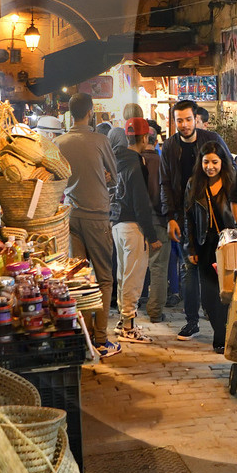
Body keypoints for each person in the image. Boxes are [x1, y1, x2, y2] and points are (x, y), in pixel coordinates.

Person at [161, 100, 235, 340]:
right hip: (186, 215)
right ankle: (191, 321)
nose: (184, 125)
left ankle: (223, 322)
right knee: (189, 270)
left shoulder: (211, 139)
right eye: (179, 120)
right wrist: (170, 217)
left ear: (196, 119)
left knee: (219, 273)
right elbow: (165, 183)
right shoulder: (170, 146)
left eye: (188, 119)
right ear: (174, 122)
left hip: (216, 220)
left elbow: (230, 170)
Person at [56, 93, 120, 357]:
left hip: (71, 216)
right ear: (90, 112)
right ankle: (101, 339)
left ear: (70, 113)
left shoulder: (59, 142)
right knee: (104, 278)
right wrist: (103, 177)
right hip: (96, 216)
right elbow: (115, 177)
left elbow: (56, 178)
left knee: (79, 279)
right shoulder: (100, 140)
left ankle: (84, 338)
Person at [109, 117, 161, 344]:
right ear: (145, 137)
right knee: (133, 278)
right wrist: (152, 235)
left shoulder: (117, 159)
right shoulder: (136, 164)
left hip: (117, 224)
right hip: (133, 227)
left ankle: (124, 321)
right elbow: (141, 203)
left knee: (123, 275)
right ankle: (129, 327)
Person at [182, 141, 236, 353]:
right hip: (205, 244)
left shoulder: (232, 182)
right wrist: (190, 248)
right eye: (206, 162)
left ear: (223, 162)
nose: (210, 167)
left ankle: (222, 336)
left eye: (215, 162)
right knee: (208, 296)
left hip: (229, 245)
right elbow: (188, 218)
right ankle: (220, 331)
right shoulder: (194, 183)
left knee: (228, 292)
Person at [137, 122, 168, 323]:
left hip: (135, 222)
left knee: (134, 267)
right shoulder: (162, 162)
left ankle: (130, 307)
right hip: (158, 220)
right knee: (158, 268)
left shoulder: (133, 161)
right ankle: (155, 311)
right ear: (155, 141)